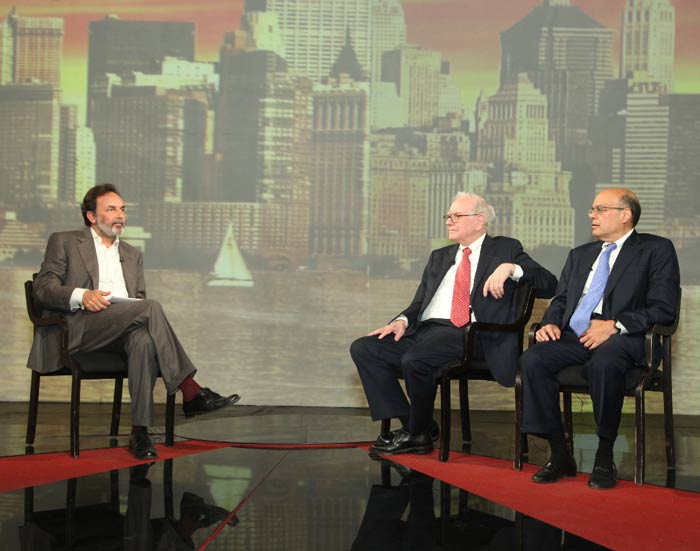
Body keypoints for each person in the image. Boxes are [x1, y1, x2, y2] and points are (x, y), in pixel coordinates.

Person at [27, 184, 241, 460]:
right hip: (77, 329)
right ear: (92, 216)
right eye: (112, 209)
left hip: (118, 329)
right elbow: (42, 289)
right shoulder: (65, 241)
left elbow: (137, 302)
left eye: (123, 209)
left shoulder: (132, 254)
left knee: (142, 340)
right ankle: (190, 389)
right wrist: (82, 295)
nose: (120, 216)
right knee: (150, 309)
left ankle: (140, 431)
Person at [350, 192, 557, 456]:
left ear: (479, 220)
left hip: (470, 335)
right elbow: (419, 304)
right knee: (365, 349)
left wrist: (510, 268)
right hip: (425, 332)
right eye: (448, 216)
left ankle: (417, 433)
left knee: (416, 359)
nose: (449, 221)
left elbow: (549, 284)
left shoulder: (505, 248)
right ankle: (416, 427)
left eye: (457, 215)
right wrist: (401, 321)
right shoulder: (440, 256)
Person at [520, 187, 680, 489]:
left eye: (600, 209)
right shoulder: (580, 255)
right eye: (592, 209)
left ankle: (604, 455)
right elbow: (561, 299)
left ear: (625, 215)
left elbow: (664, 309)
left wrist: (615, 325)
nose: (591, 215)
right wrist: (550, 323)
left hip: (624, 338)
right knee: (533, 358)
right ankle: (559, 453)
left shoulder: (655, 250)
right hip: (574, 336)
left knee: (604, 362)